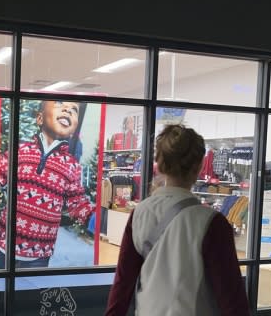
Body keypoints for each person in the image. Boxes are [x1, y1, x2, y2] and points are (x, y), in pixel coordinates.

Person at [105, 124, 250, 315]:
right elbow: (232, 300)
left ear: (160, 163)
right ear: (199, 166)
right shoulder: (212, 223)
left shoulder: (139, 214)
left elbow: (122, 286)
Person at [0, 100, 94, 268]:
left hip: (39, 254)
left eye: (74, 110)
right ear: (40, 119)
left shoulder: (71, 165)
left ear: (73, 129)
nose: (67, 110)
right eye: (59, 104)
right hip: (4, 246)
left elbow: (77, 203)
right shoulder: (18, 152)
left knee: (30, 293)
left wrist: (98, 220)